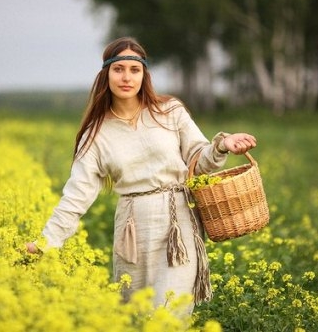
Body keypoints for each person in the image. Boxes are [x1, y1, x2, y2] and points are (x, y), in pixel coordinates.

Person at [26, 36, 256, 311]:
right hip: (132, 230)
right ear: (106, 74)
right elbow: (75, 197)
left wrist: (221, 146)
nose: (126, 77)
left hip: (178, 224)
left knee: (170, 314)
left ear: (144, 74)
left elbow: (199, 161)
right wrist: (45, 243)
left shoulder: (169, 111)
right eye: (118, 69)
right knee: (137, 316)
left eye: (134, 70)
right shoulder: (96, 134)